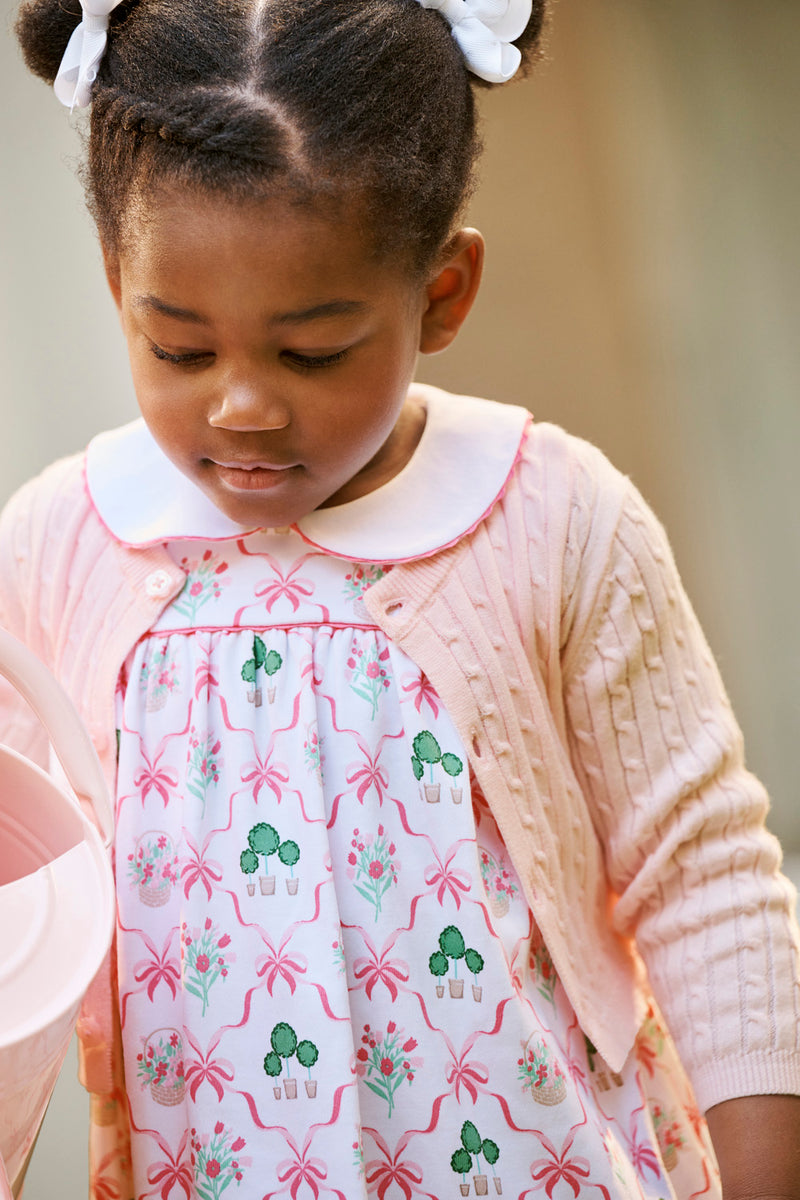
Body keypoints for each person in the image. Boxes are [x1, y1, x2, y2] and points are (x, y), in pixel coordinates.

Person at [3, 0, 799, 1195]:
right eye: (178, 348)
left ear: (442, 290)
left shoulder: (550, 516)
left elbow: (704, 879)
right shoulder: (60, 547)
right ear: (120, 278)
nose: (242, 408)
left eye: (311, 351)